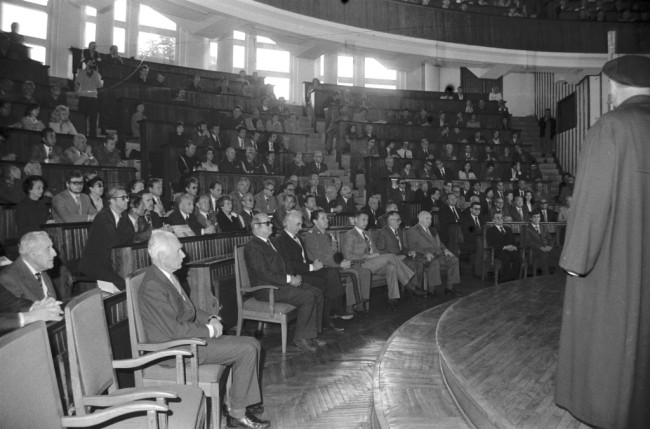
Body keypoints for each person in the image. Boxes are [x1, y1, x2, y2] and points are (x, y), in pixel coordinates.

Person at [554, 55, 650, 429]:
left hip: (614, 258)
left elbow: (591, 200)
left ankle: (603, 411)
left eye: (609, 86)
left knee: (608, 342)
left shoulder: (612, 126)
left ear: (617, 85)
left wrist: (576, 259)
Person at [137, 231, 270, 429]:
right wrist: (208, 330)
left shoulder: (166, 276)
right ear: (163, 257)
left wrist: (211, 317)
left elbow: (189, 309)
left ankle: (240, 403)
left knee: (252, 343)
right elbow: (174, 331)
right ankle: (237, 414)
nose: (184, 255)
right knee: (247, 349)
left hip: (186, 340)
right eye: (179, 251)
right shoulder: (154, 286)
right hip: (174, 351)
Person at [244, 213, 325, 352]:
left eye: (271, 223)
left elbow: (286, 263)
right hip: (266, 289)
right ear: (256, 226)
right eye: (267, 223)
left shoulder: (273, 242)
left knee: (317, 292)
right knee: (307, 297)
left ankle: (312, 335)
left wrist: (293, 276)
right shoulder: (252, 246)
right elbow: (264, 274)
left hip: (281, 284)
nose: (271, 226)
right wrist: (289, 279)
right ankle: (300, 339)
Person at [275, 210, 347, 330]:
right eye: (298, 224)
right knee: (324, 282)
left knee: (331, 273)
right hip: (296, 273)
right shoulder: (282, 240)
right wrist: (312, 267)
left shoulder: (297, 238)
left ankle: (330, 313)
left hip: (306, 269)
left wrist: (314, 264)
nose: (301, 227)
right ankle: (331, 314)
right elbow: (290, 264)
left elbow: (305, 259)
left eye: (301, 224)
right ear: (287, 224)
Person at [341, 212, 415, 312]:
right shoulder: (349, 234)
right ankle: (408, 284)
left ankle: (393, 299)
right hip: (362, 263)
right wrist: (367, 255)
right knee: (392, 256)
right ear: (355, 220)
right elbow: (348, 255)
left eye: (367, 220)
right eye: (363, 219)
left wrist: (376, 255)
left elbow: (376, 251)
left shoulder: (367, 234)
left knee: (392, 267)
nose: (366, 222)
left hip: (374, 263)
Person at [303, 210, 372, 315]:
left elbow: (335, 254)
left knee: (364, 271)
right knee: (353, 273)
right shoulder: (311, 235)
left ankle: (360, 302)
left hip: (334, 264)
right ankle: (349, 306)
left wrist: (343, 261)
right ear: (314, 221)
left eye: (326, 217)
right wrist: (339, 264)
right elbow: (320, 257)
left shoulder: (328, 235)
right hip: (324, 267)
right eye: (323, 218)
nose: (327, 220)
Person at [79, 186, 130, 291]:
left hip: (112, 260)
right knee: (124, 285)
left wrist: (124, 236)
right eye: (123, 198)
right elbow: (114, 240)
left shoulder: (124, 215)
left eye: (127, 197)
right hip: (96, 263)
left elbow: (130, 235)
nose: (127, 200)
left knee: (132, 279)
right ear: (112, 200)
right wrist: (124, 236)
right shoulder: (103, 217)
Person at [405, 211, 461, 296]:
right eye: (427, 218)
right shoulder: (413, 230)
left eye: (430, 218)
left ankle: (450, 287)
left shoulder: (432, 229)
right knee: (434, 261)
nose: (430, 220)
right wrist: (425, 253)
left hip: (438, 254)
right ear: (420, 219)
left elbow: (440, 243)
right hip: (423, 257)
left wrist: (446, 250)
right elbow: (412, 247)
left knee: (454, 260)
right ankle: (432, 289)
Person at [375, 211, 427, 296]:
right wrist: (396, 257)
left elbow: (402, 248)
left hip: (402, 257)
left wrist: (409, 252)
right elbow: (381, 251)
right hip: (392, 260)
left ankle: (417, 289)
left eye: (400, 219)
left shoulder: (399, 231)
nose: (400, 222)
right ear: (390, 220)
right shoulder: (383, 232)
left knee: (419, 264)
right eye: (398, 220)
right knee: (412, 264)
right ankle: (413, 291)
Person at [0, 231, 58, 301]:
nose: (54, 253)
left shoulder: (40, 269)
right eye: (48, 249)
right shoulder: (8, 277)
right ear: (32, 254)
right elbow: (18, 310)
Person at [486, 211, 522, 282]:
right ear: (493, 220)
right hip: (498, 250)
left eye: (501, 217)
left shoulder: (508, 229)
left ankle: (512, 277)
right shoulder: (490, 230)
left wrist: (514, 247)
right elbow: (491, 243)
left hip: (510, 249)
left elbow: (513, 241)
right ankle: (504, 279)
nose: (500, 219)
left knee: (518, 258)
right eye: (497, 218)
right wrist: (505, 247)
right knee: (506, 258)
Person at [522, 211, 560, 276]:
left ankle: (557, 275)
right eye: (534, 217)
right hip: (534, 250)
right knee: (544, 255)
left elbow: (550, 238)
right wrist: (540, 247)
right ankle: (546, 277)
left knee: (560, 254)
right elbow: (528, 242)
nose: (537, 219)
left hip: (546, 249)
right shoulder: (526, 228)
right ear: (531, 218)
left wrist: (550, 246)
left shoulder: (543, 227)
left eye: (538, 217)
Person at [75, 60, 103, 137]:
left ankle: (92, 136)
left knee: (93, 119)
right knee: (82, 118)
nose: (89, 66)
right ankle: (81, 135)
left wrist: (95, 73)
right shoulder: (82, 73)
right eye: (88, 64)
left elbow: (99, 85)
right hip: (84, 98)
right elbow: (77, 81)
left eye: (91, 65)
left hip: (92, 99)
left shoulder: (96, 74)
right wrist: (85, 71)